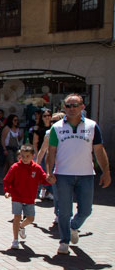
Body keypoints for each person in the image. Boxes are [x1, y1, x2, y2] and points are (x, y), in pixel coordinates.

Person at [46, 94, 111, 255]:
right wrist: (49, 172)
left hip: (86, 174)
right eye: (68, 106)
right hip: (63, 174)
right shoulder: (57, 127)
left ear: (82, 106)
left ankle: (73, 226)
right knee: (64, 211)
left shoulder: (92, 126)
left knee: (86, 210)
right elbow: (51, 151)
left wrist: (106, 171)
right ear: (64, 108)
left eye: (75, 105)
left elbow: (99, 150)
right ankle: (64, 241)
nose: (72, 109)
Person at [3, 144, 49, 250]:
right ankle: (15, 240)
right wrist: (7, 191)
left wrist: (50, 180)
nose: (25, 158)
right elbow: (7, 180)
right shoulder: (15, 167)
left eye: (27, 156)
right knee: (17, 217)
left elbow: (43, 179)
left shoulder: (36, 168)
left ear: (33, 156)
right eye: (23, 156)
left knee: (30, 218)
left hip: (30, 198)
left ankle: (21, 226)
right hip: (17, 197)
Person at [36, 112, 65, 224]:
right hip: (53, 166)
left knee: (66, 193)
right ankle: (58, 214)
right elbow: (43, 150)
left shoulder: (68, 133)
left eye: (55, 121)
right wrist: (37, 165)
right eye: (52, 121)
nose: (52, 123)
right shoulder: (49, 133)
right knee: (56, 192)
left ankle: (66, 214)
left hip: (66, 166)